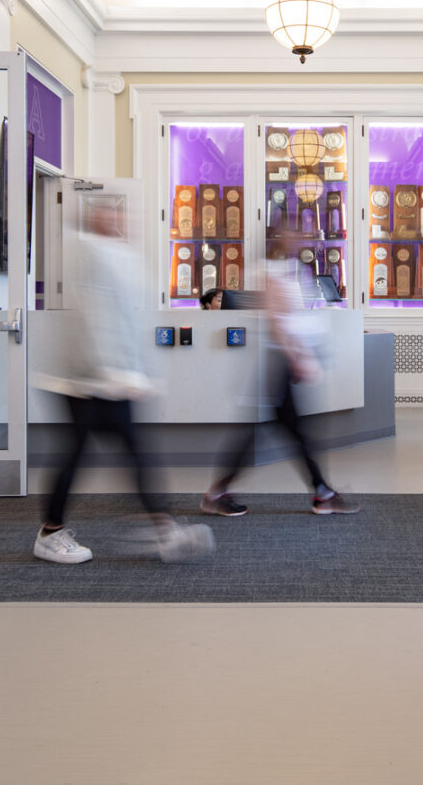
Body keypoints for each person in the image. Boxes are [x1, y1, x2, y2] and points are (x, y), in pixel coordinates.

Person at [32, 193, 213, 565]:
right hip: (87, 380)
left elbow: (130, 321)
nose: (118, 219)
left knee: (123, 453)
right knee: (91, 453)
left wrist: (141, 373)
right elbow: (94, 316)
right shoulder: (90, 253)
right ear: (92, 217)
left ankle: (162, 529)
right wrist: (112, 372)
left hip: (111, 379)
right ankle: (52, 534)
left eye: (121, 212)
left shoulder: (120, 256)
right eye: (108, 213)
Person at [202, 231, 359, 518]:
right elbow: (276, 320)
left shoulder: (292, 271)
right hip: (274, 364)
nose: (300, 240)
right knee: (279, 431)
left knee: (282, 430)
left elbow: (293, 318)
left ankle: (321, 492)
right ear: (280, 239)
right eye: (293, 234)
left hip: (279, 363)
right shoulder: (271, 272)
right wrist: (295, 357)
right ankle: (321, 493)